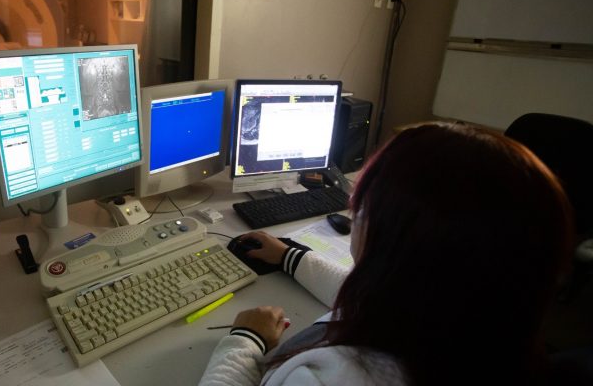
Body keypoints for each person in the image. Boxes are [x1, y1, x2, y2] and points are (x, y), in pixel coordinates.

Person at [199, 122, 574, 386]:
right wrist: (288, 257)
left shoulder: (332, 378)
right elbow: (371, 297)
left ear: (398, 244)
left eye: (361, 207)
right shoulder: (477, 326)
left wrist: (245, 340)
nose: (355, 215)